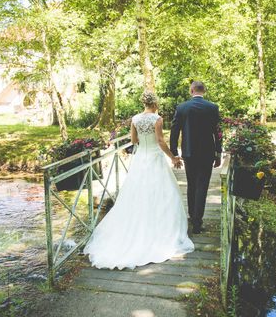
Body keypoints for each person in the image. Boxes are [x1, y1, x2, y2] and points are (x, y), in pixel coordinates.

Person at [84, 91, 195, 270]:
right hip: (155, 159)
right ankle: (159, 229)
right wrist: (173, 157)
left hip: (141, 160)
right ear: (155, 103)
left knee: (137, 193)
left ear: (144, 103)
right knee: (161, 194)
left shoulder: (135, 119)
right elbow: (160, 141)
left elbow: (133, 140)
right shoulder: (157, 119)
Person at [170, 81, 222, 234]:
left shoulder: (182, 108)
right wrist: (219, 153)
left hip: (189, 153)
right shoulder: (212, 108)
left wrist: (175, 153)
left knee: (191, 184)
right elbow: (218, 133)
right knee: (202, 186)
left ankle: (193, 217)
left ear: (191, 90)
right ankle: (197, 222)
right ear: (204, 91)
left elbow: (174, 132)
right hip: (207, 153)